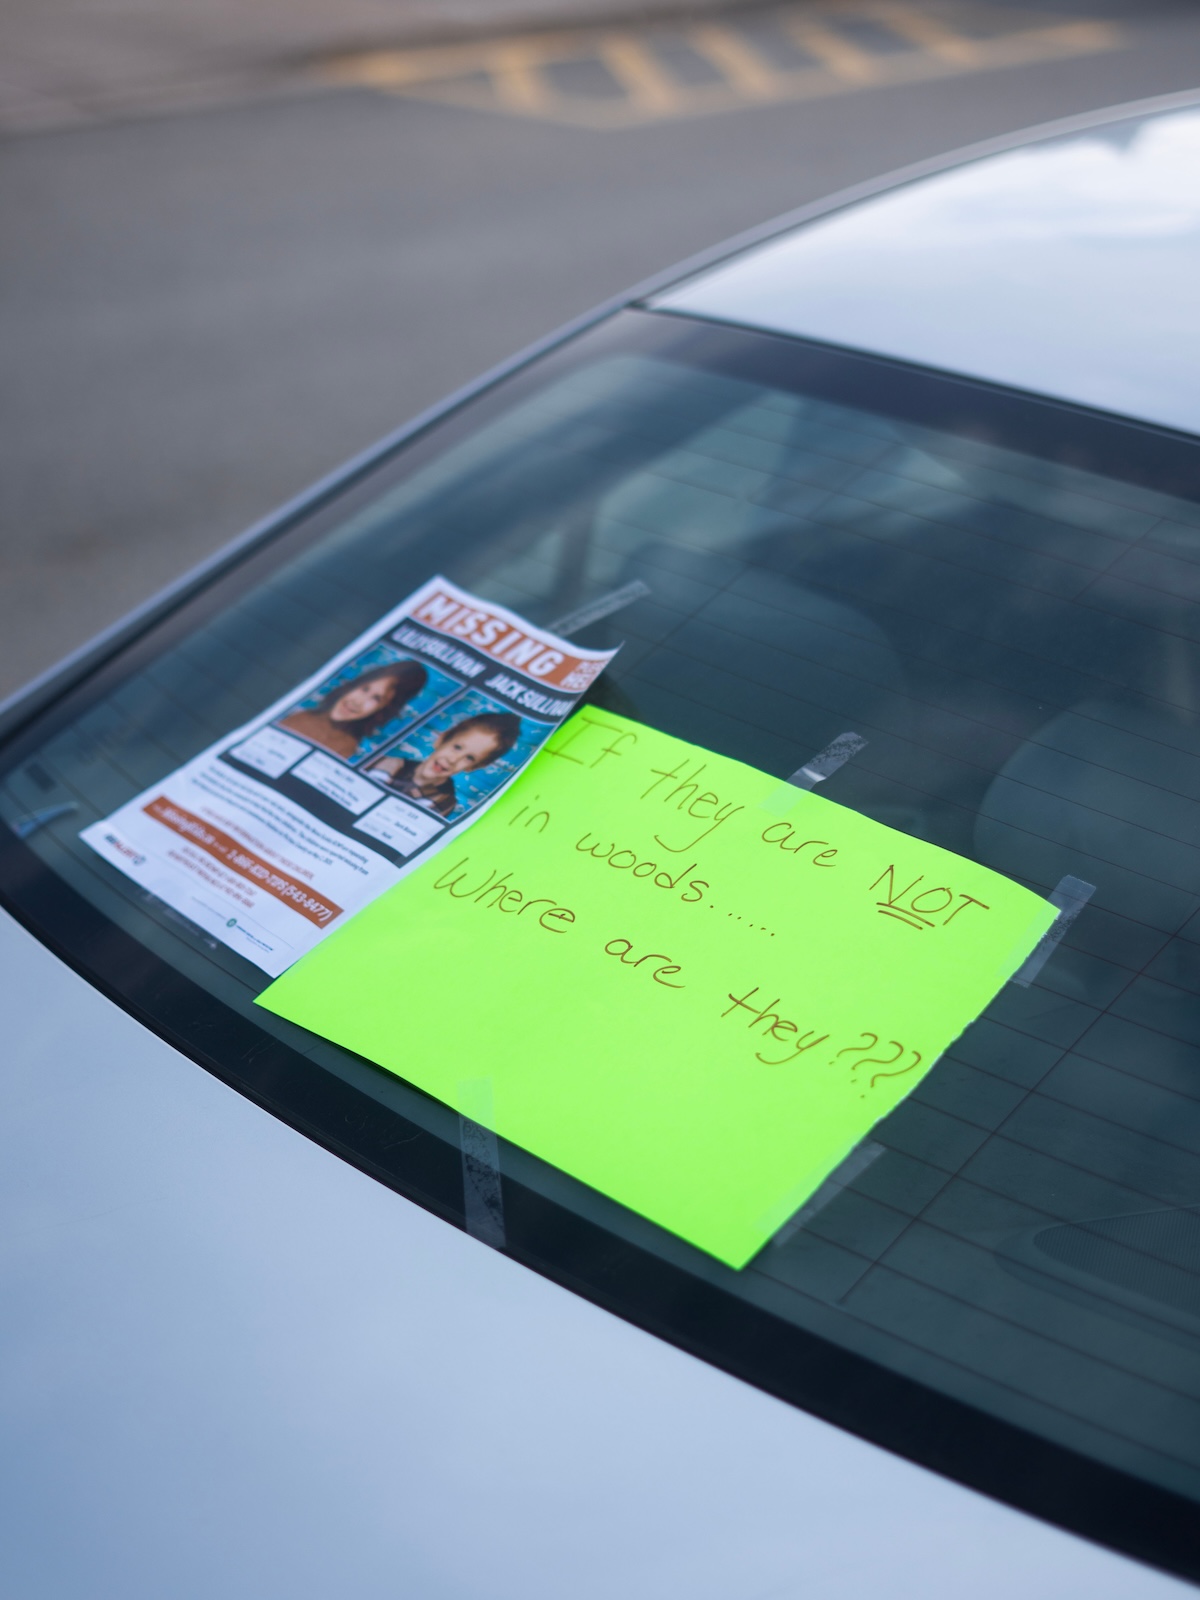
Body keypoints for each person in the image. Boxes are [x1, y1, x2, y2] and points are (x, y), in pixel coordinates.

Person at [370, 711, 521, 817]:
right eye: (457, 747)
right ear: (442, 739)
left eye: (469, 758)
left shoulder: (444, 801)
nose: (453, 759)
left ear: (474, 767)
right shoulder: (388, 763)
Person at [279, 659, 428, 761]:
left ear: (384, 709)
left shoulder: (346, 746)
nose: (357, 702)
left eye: (376, 698)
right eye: (365, 689)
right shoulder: (303, 713)